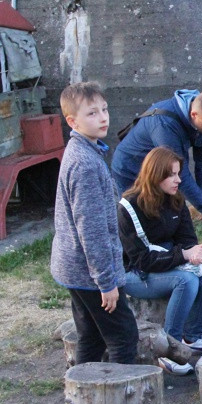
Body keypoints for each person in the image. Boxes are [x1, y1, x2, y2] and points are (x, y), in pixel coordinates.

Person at [50, 81, 139, 365]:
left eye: (104, 109)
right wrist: (106, 282)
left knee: (91, 335)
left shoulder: (86, 152)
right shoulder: (85, 164)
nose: (102, 117)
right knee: (124, 337)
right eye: (92, 113)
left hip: (76, 267)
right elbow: (92, 230)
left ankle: (81, 397)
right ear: (72, 121)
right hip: (90, 273)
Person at [117, 147, 202, 374]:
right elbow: (142, 260)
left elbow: (187, 239)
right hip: (134, 273)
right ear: (155, 175)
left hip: (168, 263)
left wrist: (194, 253)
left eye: (179, 173)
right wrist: (182, 255)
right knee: (187, 281)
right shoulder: (129, 207)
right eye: (172, 174)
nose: (178, 180)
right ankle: (169, 349)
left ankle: (193, 336)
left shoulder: (175, 199)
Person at [111, 89, 202, 234]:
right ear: (194, 115)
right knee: (141, 221)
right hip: (130, 169)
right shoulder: (165, 124)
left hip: (159, 169)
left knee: (168, 221)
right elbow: (181, 176)